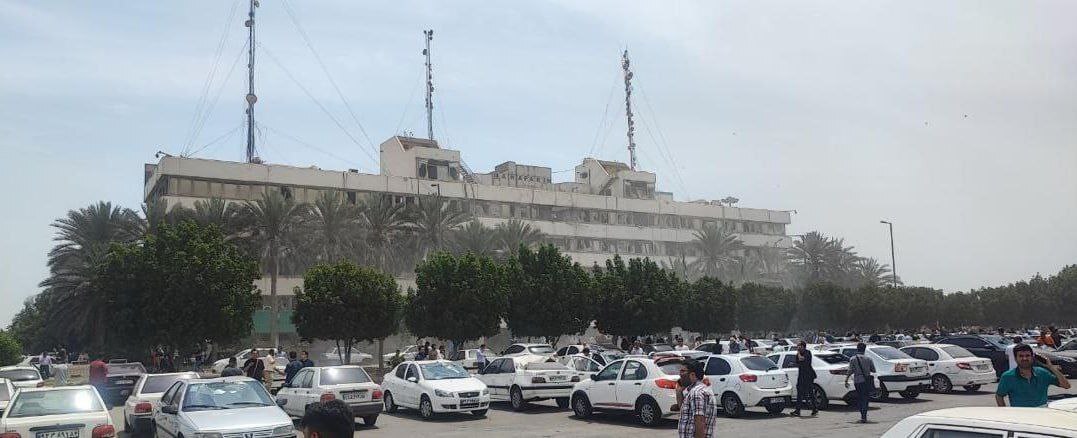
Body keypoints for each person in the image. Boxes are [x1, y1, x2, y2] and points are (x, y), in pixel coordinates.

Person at [996, 344, 1071, 407]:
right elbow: (999, 396)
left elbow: (1066, 385)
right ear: (1015, 358)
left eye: (1027, 355)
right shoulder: (1008, 376)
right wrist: (1005, 413)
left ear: (1032, 357)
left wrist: (1051, 367)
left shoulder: (1042, 373)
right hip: (1020, 415)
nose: (1024, 358)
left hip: (1042, 413)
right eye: (1021, 356)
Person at [677, 359, 716, 438]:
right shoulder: (694, 391)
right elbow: (685, 414)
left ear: (692, 375)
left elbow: (700, 421)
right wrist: (679, 391)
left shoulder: (696, 392)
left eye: (682, 371)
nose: (680, 374)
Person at [845, 343, 876, 423]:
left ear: (857, 349)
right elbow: (873, 370)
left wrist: (846, 380)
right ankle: (864, 416)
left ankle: (862, 416)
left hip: (858, 381)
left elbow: (850, 370)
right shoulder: (868, 359)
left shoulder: (853, 359)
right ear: (864, 349)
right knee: (865, 398)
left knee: (860, 397)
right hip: (866, 381)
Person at [791, 341, 818, 416]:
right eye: (797, 346)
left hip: (808, 375)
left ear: (803, 346)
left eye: (799, 346)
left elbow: (801, 359)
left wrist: (798, 353)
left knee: (810, 392)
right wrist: (798, 353)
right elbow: (797, 362)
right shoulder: (798, 354)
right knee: (799, 393)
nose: (798, 347)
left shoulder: (807, 353)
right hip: (801, 376)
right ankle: (797, 410)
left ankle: (815, 408)